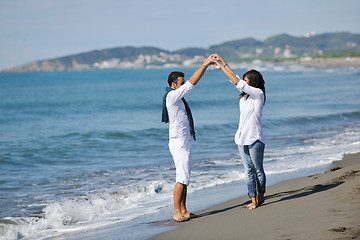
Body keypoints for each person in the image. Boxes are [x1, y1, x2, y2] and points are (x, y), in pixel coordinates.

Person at [162, 55, 217, 221]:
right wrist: (205, 65)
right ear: (173, 85)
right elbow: (193, 82)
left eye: (184, 82)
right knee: (181, 177)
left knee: (185, 177)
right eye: (181, 82)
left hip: (185, 140)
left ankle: (184, 210)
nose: (184, 84)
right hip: (178, 142)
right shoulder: (172, 96)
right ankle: (176, 212)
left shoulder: (178, 98)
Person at [213, 55, 266, 210]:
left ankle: (261, 194)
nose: (244, 81)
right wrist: (223, 63)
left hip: (255, 138)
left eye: (246, 79)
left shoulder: (258, 94)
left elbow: (237, 81)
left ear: (253, 81)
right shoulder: (244, 97)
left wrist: (222, 68)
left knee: (257, 170)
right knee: (248, 170)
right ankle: (253, 199)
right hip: (241, 138)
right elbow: (235, 79)